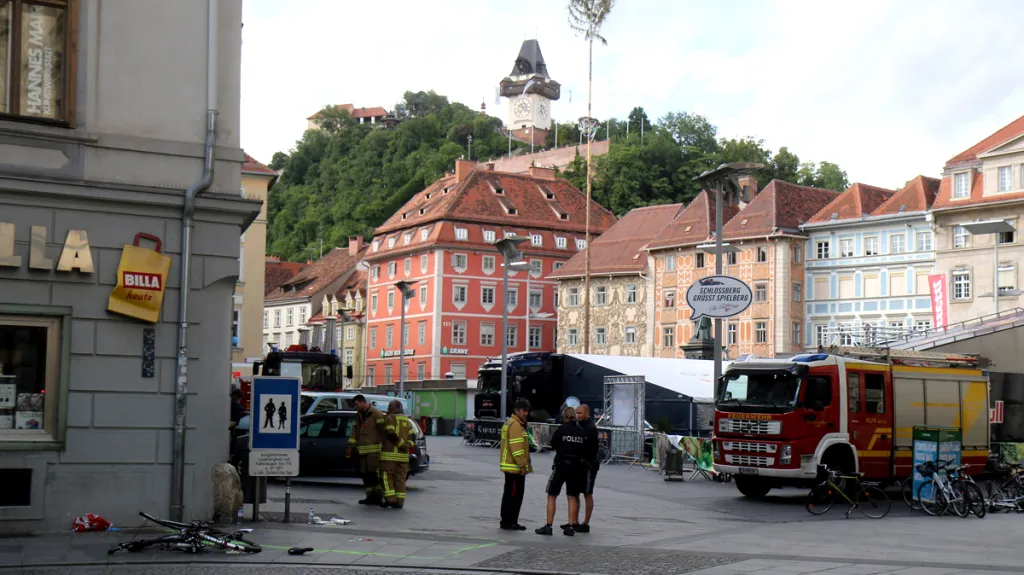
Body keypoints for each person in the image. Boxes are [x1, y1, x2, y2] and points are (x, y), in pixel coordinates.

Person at [536, 406, 587, 536]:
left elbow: (553, 444)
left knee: (552, 495)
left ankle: (548, 526)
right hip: (576, 467)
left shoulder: (561, 430)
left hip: (561, 465)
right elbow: (584, 448)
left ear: (564, 417)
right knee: (572, 496)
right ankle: (570, 526)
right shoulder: (581, 431)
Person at [347, 394, 387, 505]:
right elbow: (355, 431)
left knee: (373, 474)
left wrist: (383, 444)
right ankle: (370, 496)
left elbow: (383, 430)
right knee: (365, 475)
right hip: (362, 450)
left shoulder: (376, 414)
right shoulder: (359, 415)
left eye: (356, 404)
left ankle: (378, 497)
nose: (355, 407)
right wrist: (350, 445)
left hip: (374, 451)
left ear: (362, 402)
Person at [499, 398, 532, 530]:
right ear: (516, 411)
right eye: (523, 411)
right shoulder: (516, 425)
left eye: (527, 411)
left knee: (510, 494)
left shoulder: (514, 423)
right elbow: (517, 447)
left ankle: (509, 520)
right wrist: (522, 465)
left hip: (511, 466)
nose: (526, 413)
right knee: (514, 495)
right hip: (514, 467)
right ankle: (509, 521)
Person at [380, 399, 414, 509]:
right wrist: (406, 446)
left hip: (389, 455)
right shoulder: (408, 421)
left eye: (389, 407)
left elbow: (391, 434)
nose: (388, 409)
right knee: (400, 479)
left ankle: (391, 500)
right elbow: (412, 439)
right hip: (403, 457)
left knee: (386, 477)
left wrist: (401, 445)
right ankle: (400, 502)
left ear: (392, 408)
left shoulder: (390, 418)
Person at [574, 404, 599, 533]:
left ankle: (585, 523)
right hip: (580, 464)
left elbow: (592, 450)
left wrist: (588, 463)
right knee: (576, 492)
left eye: (580, 413)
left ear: (587, 413)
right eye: (576, 413)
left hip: (589, 465)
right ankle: (575, 521)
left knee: (587, 493)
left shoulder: (590, 428)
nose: (577, 415)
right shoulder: (579, 426)